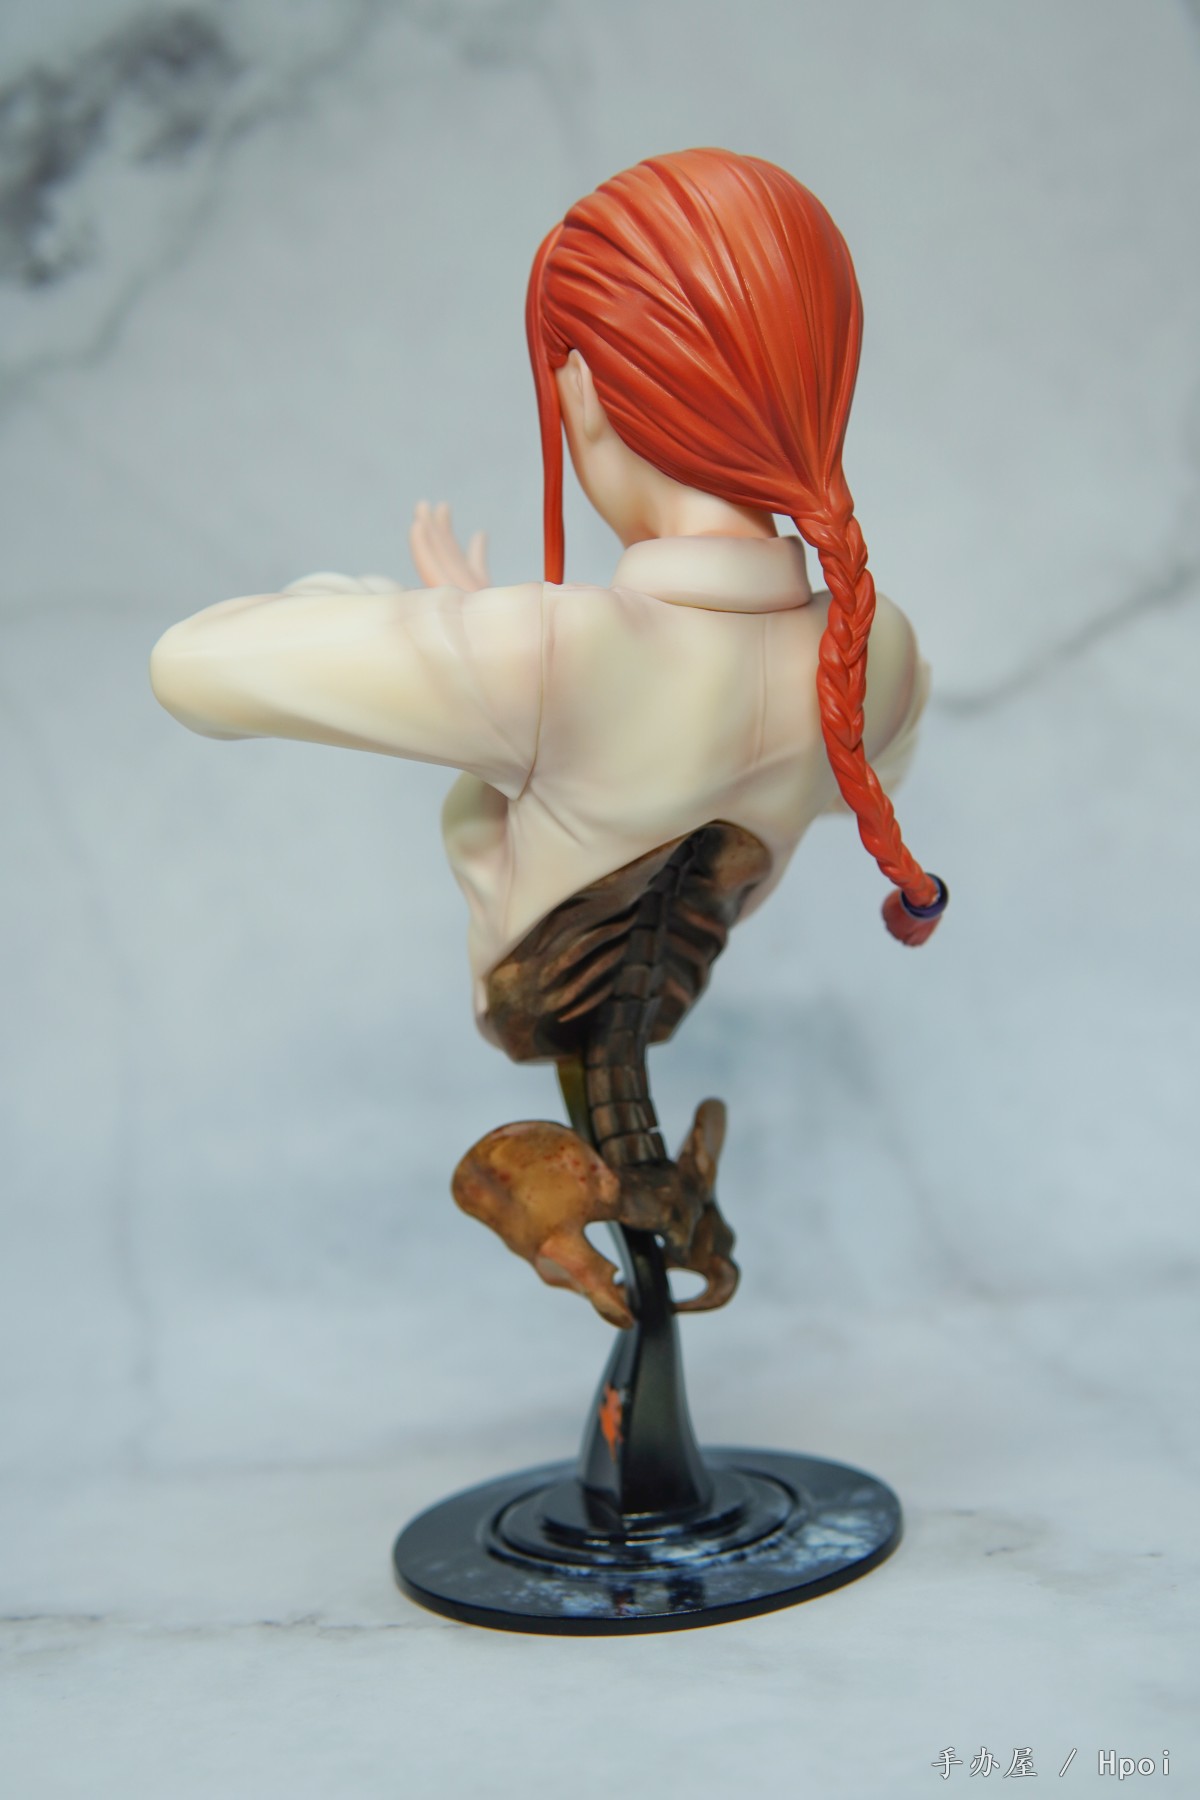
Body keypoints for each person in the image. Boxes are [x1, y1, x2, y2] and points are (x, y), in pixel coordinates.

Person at [150, 149, 945, 1319]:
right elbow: (844, 763)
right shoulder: (879, 654)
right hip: (654, 976)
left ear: (582, 389)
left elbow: (193, 665)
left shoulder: (548, 653)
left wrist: (443, 630)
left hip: (554, 994)